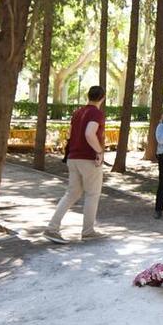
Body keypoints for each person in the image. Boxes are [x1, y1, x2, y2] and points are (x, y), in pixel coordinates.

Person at [44, 85, 106, 243]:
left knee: (72, 193)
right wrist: (99, 151)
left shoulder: (78, 112)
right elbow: (89, 133)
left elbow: (71, 134)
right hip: (89, 158)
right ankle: (88, 231)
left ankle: (52, 228)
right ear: (102, 98)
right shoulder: (96, 113)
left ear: (88, 96)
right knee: (92, 194)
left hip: (73, 157)